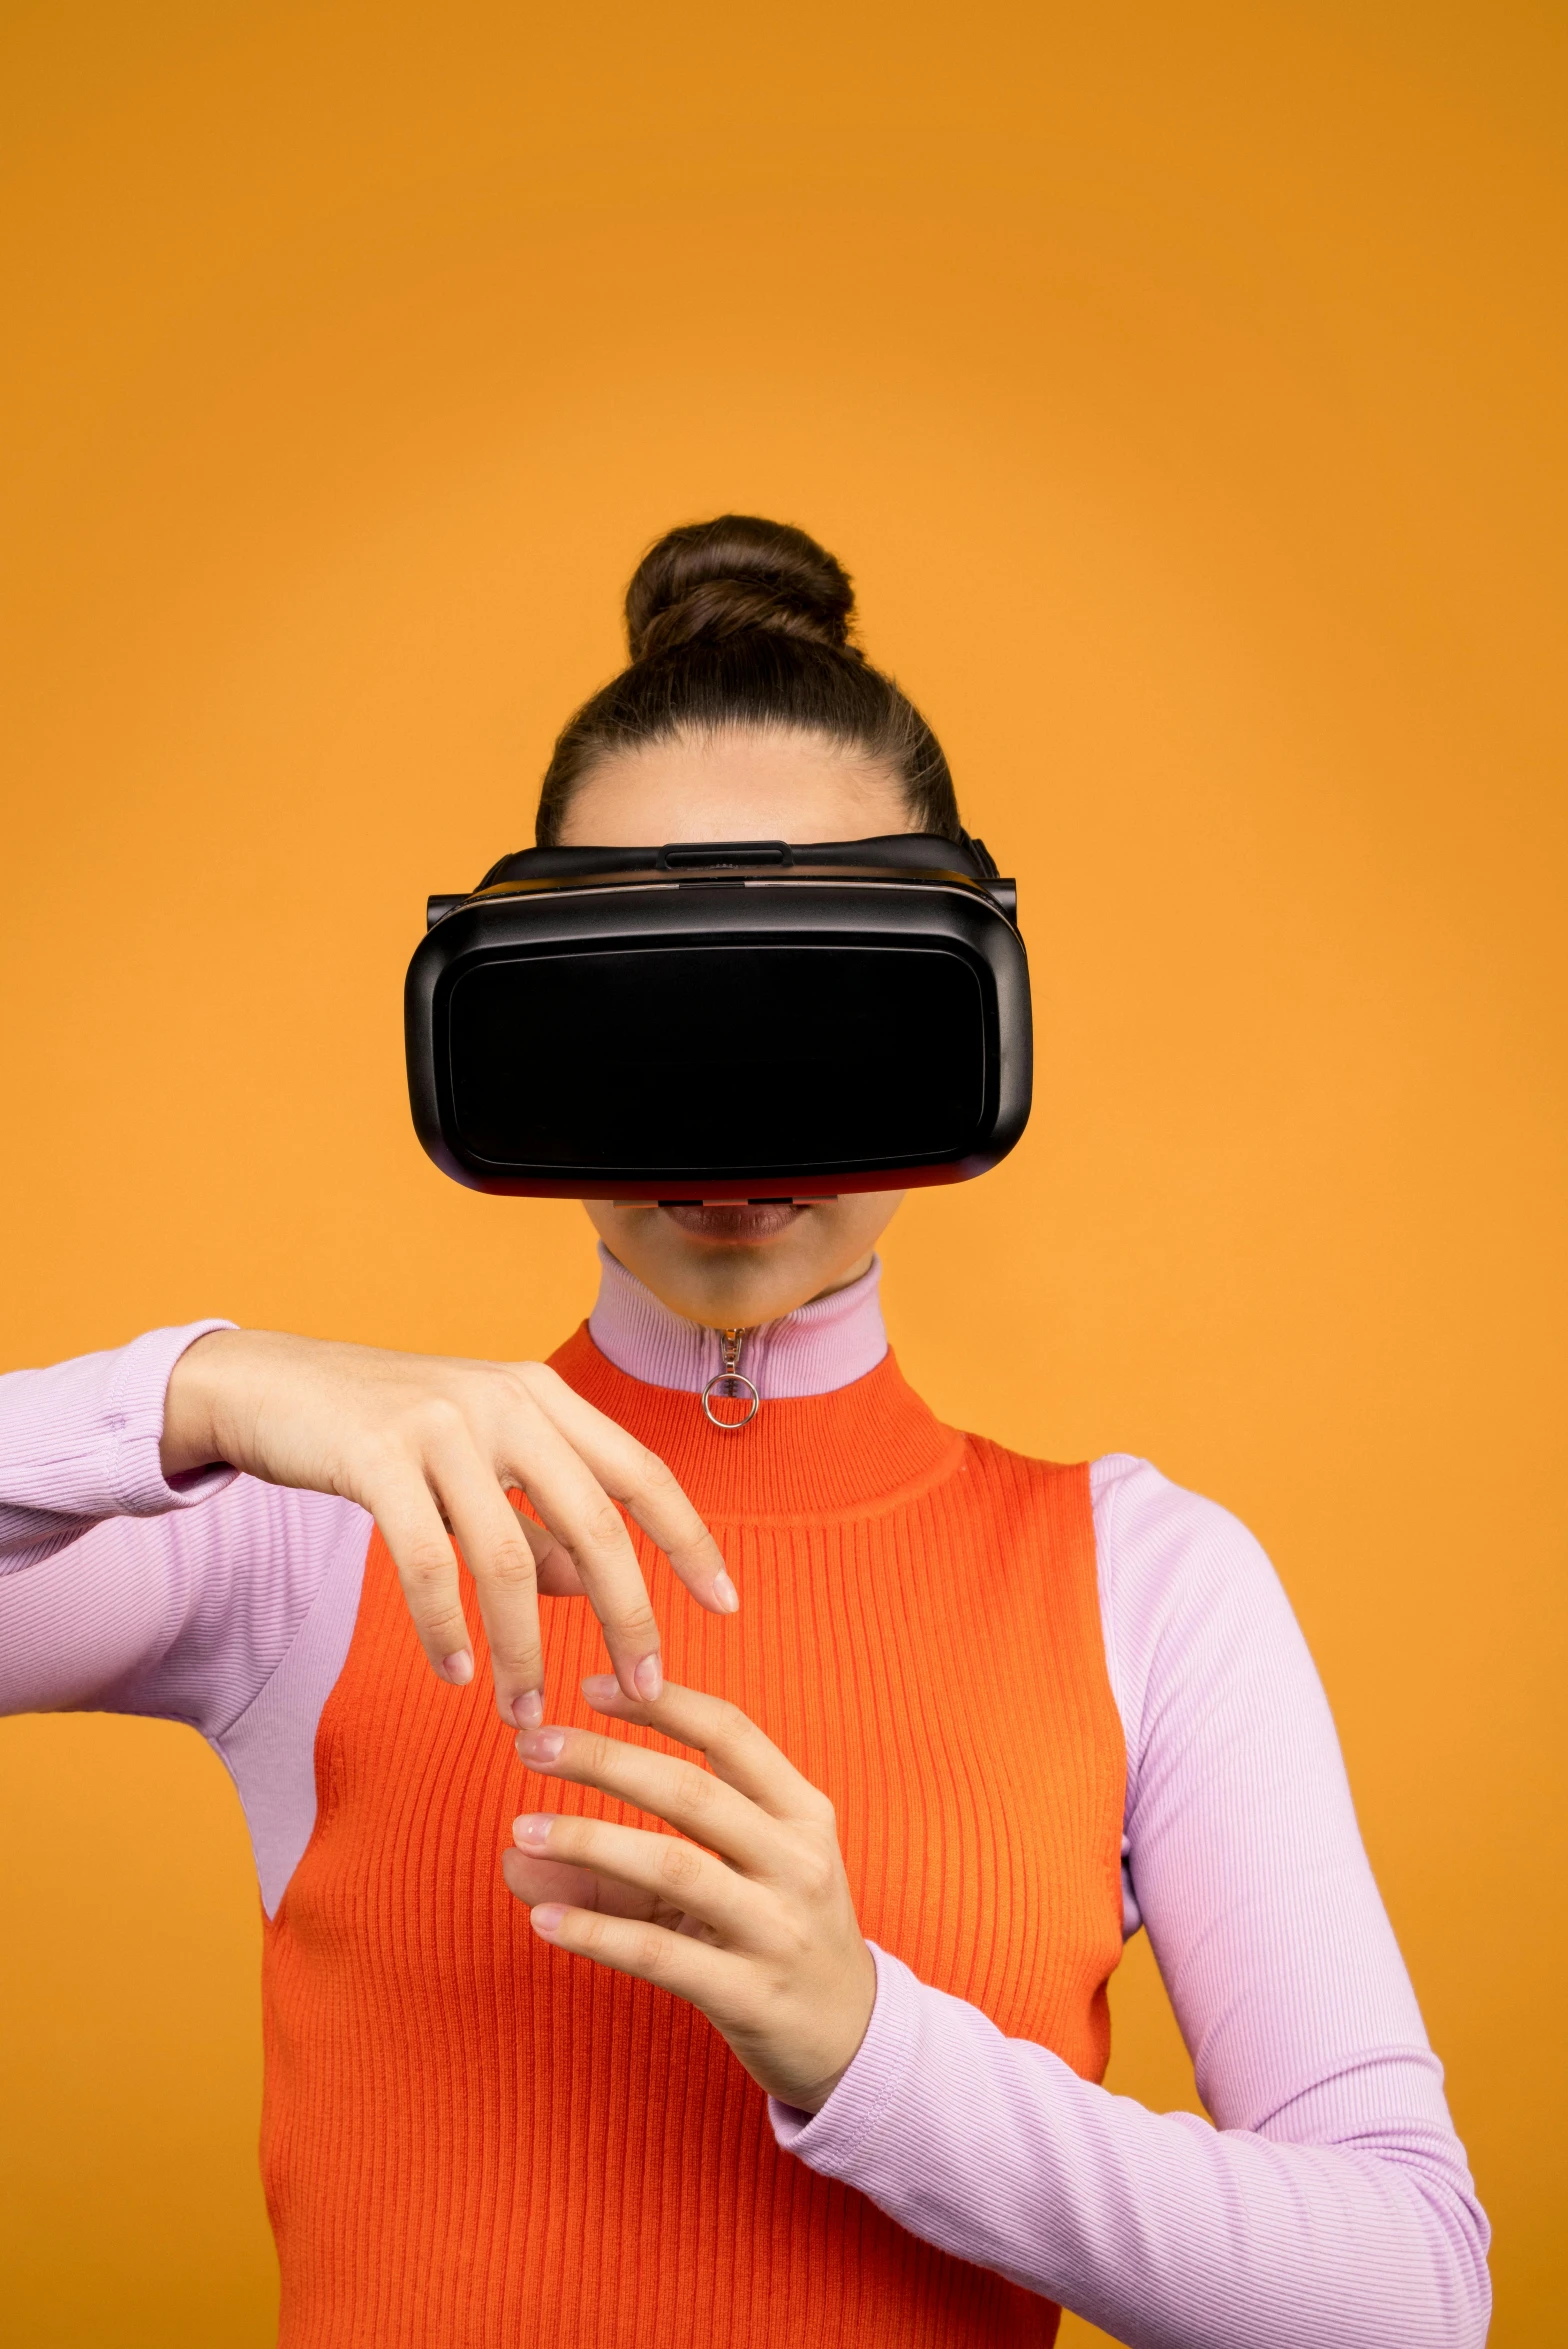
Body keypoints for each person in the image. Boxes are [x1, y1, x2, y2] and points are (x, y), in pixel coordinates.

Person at [0, 517, 1488, 2348]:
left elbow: (1409, 2298)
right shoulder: (306, 1525)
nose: (735, 1127)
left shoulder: (1150, 1584)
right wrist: (192, 1391)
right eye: (648, 999)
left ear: (954, 1022)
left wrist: (871, 2045)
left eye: (817, 1000)